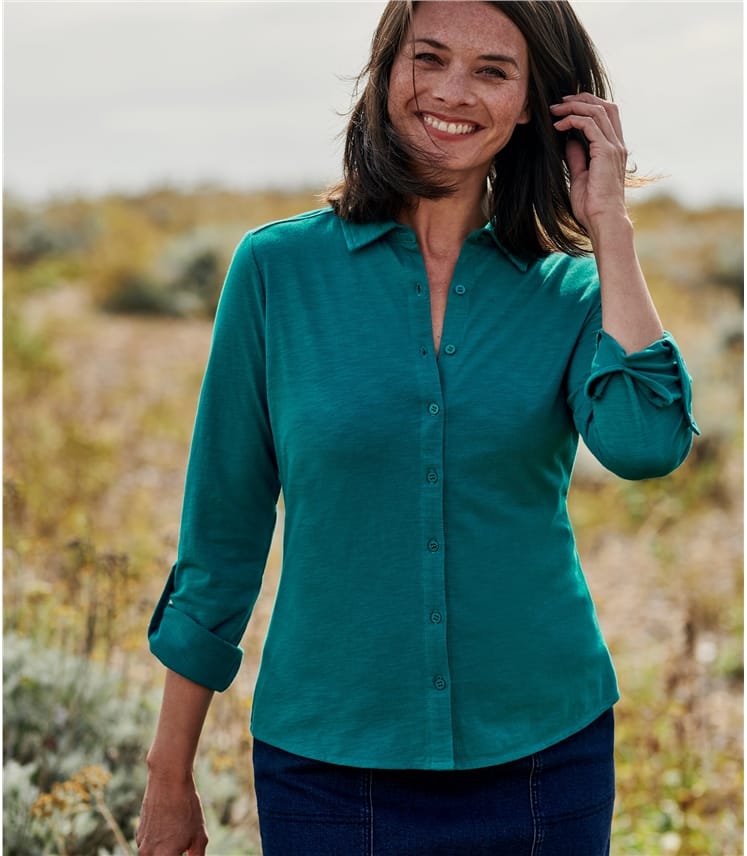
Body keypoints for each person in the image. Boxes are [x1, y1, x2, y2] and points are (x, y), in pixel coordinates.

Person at [136, 2, 699, 854]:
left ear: (534, 104)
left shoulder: (574, 294)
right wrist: (167, 777)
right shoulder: (276, 273)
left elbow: (645, 445)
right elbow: (219, 543)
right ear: (384, 73)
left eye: (492, 71)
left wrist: (609, 228)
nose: (451, 91)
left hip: (545, 760)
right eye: (427, 58)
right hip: (327, 766)